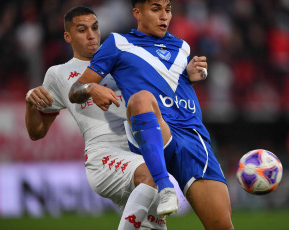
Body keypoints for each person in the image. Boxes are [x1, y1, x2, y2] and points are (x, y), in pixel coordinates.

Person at [68, 1, 234, 229]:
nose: (164, 16)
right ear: (137, 13)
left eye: (168, 9)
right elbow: (75, 91)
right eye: (156, 9)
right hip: (152, 130)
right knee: (140, 98)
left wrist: (189, 77)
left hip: (193, 138)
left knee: (222, 226)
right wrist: (91, 88)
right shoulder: (118, 43)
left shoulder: (182, 47)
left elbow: (169, 83)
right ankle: (165, 187)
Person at [25, 6, 169, 230]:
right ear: (68, 36)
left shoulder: (121, 56)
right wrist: (30, 104)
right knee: (153, 173)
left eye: (94, 28)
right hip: (104, 156)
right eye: (82, 30)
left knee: (152, 224)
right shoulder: (59, 73)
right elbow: (37, 132)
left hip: (138, 149)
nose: (91, 35)